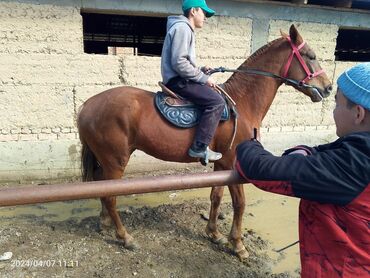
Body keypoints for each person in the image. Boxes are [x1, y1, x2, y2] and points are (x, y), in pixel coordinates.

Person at [235, 62, 370, 277]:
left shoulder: (354, 163)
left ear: (358, 114)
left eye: (337, 104)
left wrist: (248, 144)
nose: (334, 111)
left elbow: (260, 169)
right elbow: (327, 152)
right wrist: (304, 151)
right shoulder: (355, 153)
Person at [161, 0, 226, 164]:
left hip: (181, 78)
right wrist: (204, 79)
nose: (205, 17)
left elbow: (183, 62)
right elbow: (179, 63)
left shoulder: (182, 28)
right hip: (179, 81)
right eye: (204, 12)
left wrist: (201, 70)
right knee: (217, 101)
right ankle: (199, 147)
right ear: (194, 11)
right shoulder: (183, 28)